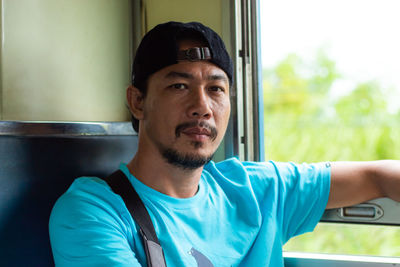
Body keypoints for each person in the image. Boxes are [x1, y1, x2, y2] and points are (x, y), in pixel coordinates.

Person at [49, 21, 400, 267]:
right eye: (179, 86)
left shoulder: (256, 189)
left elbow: (379, 175)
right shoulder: (94, 211)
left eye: (216, 89)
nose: (202, 107)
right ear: (138, 101)